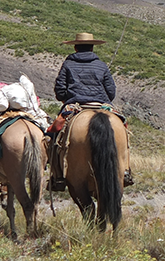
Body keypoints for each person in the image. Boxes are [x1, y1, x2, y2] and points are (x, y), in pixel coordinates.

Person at [47, 32, 116, 190]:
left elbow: (59, 89)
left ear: (76, 47)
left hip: (75, 105)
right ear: (92, 47)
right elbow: (111, 92)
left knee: (53, 133)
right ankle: (126, 170)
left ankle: (58, 176)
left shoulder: (69, 64)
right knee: (123, 126)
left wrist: (66, 99)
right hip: (102, 104)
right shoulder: (101, 65)